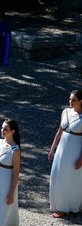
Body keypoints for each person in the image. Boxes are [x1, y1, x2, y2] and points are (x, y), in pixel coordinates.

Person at [49, 90, 82, 218]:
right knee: (58, 175)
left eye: (73, 100)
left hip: (74, 150)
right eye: (69, 99)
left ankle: (67, 207)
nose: (70, 102)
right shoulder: (66, 112)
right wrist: (52, 149)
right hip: (62, 149)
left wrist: (81, 159)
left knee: (71, 178)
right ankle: (60, 204)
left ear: (81, 101)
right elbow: (59, 132)